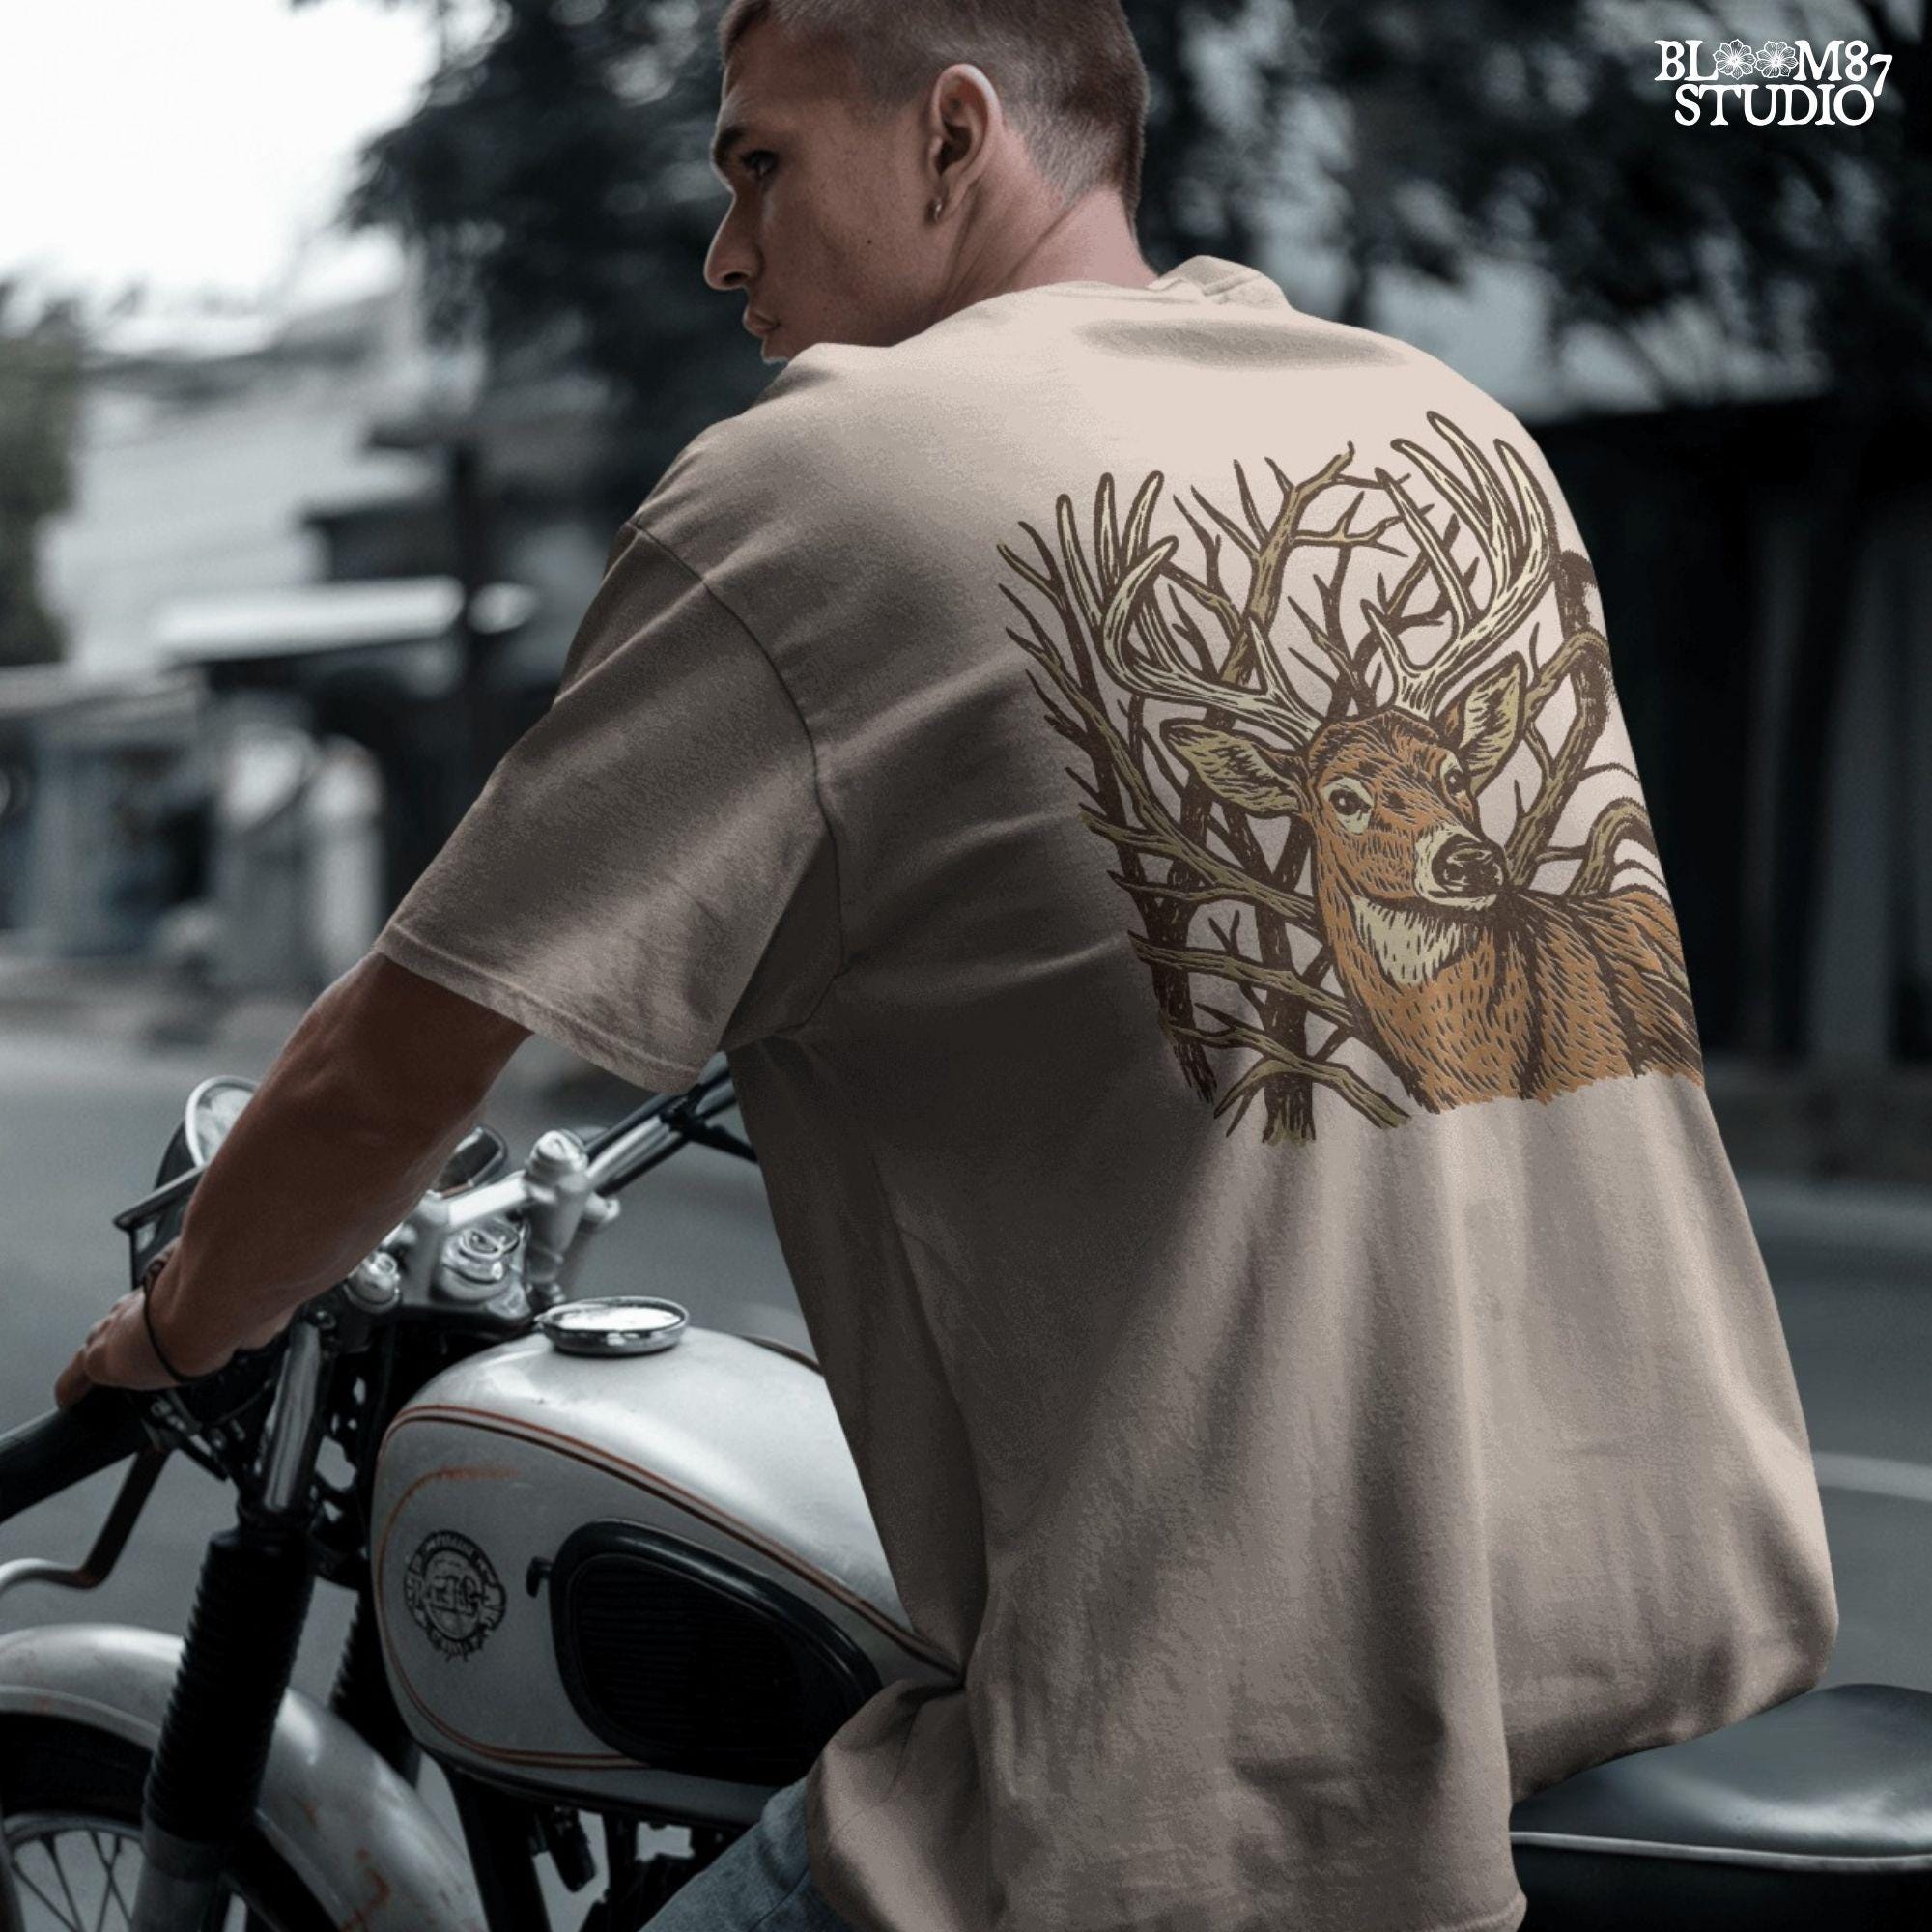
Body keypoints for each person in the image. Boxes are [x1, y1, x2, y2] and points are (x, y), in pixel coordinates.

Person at [56, 2, 1840, 1929]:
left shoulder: (819, 488)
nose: (725, 252)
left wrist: (174, 1332)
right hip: (1680, 1631)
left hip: (1237, 1774)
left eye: (758, 165)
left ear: (951, 133)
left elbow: (395, 1067)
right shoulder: (1447, 430)